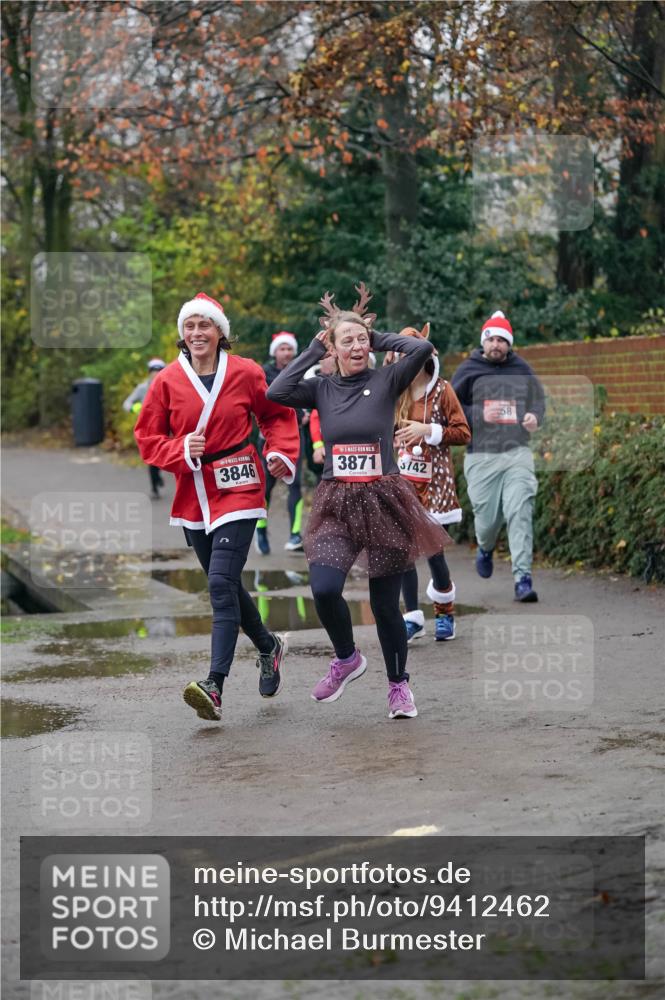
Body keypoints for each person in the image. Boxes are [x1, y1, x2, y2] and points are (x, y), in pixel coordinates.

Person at [266, 283, 446, 720]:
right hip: (335, 501)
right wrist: (313, 351)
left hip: (384, 497)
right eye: (348, 341)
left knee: (385, 604)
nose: (357, 346)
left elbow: (422, 348)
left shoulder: (387, 378)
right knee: (325, 588)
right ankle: (346, 658)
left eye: (362, 340)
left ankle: (399, 688)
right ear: (335, 347)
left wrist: (374, 333)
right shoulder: (322, 388)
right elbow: (277, 392)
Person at [134, 293, 300, 721]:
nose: (196, 333)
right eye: (188, 327)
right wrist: (178, 447)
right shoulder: (167, 381)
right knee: (224, 584)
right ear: (181, 336)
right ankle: (268, 646)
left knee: (220, 584)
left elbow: (277, 415)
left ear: (220, 332)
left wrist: (281, 452)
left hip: (241, 484)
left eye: (204, 325)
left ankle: (215, 685)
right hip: (194, 492)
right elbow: (147, 439)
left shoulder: (245, 372)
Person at [451, 310, 545, 602]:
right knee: (487, 520)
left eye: (502, 340)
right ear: (483, 341)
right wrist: (480, 413)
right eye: (491, 339)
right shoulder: (468, 370)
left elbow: (538, 402)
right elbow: (451, 410)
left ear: (509, 344)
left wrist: (534, 417)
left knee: (520, 510)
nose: (496, 344)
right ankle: (485, 546)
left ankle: (523, 579)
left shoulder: (522, 369)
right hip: (481, 455)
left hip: (517, 452)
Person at [391, 323, 471, 641]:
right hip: (403, 482)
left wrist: (428, 431)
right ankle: (412, 617)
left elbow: (463, 433)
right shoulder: (396, 392)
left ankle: (444, 611)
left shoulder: (443, 391)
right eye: (401, 357)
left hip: (435, 484)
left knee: (434, 553)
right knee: (403, 552)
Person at [257, 331, 305, 554]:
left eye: (289, 349)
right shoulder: (263, 373)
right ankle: (260, 529)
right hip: (268, 437)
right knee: (267, 484)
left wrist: (306, 412)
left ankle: (295, 535)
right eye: (281, 349)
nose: (286, 353)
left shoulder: (301, 371)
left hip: (296, 433)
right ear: (274, 351)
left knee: (295, 483)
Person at [123, 358, 167, 499]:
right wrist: (135, 408)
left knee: (162, 457)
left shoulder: (168, 386)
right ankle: (154, 487)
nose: (156, 374)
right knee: (152, 459)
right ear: (149, 373)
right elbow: (127, 403)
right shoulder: (142, 388)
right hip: (148, 429)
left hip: (166, 428)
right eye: (154, 371)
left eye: (159, 371)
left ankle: (158, 476)